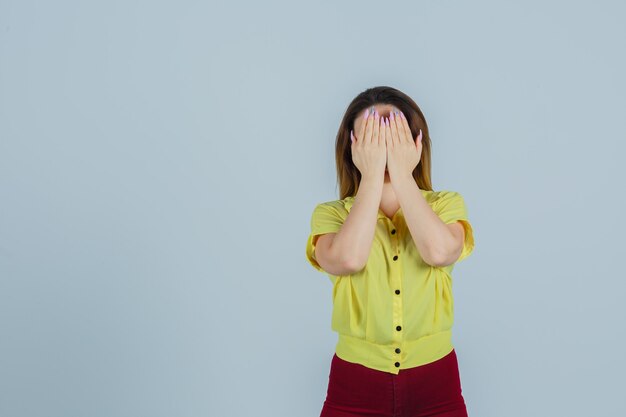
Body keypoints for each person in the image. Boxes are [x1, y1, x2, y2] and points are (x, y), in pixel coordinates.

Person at [305, 86, 475, 417]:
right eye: (371, 134)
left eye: (392, 133)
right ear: (352, 146)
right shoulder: (331, 215)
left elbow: (439, 252)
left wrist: (400, 173)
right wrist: (371, 176)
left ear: (415, 143)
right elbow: (347, 259)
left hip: (436, 381)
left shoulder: (446, 205)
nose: (382, 144)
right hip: (354, 383)